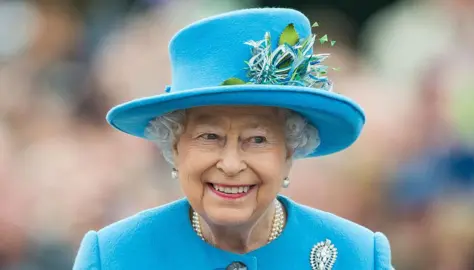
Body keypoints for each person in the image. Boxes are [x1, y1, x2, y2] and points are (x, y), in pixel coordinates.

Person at [73, 7, 393, 270]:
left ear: (290, 151)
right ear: (174, 147)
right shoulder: (115, 256)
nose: (230, 164)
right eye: (209, 136)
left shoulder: (358, 256)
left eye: (256, 139)